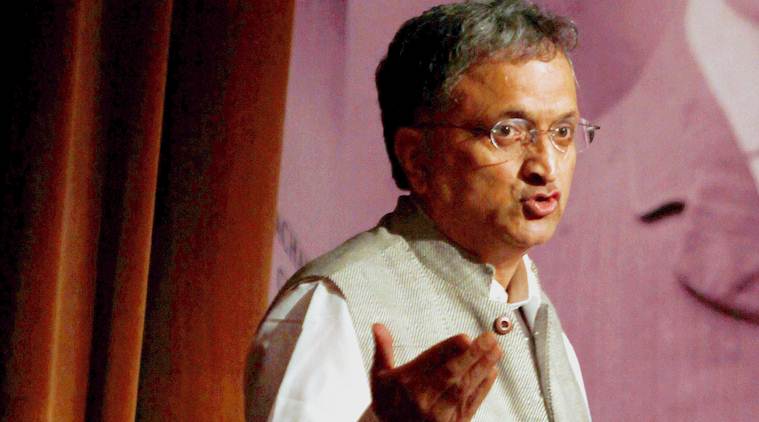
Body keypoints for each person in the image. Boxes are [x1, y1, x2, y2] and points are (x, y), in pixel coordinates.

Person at [246, 1, 597, 420]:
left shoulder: (543, 325)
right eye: (507, 131)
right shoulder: (334, 306)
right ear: (416, 157)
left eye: (562, 132)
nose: (546, 165)